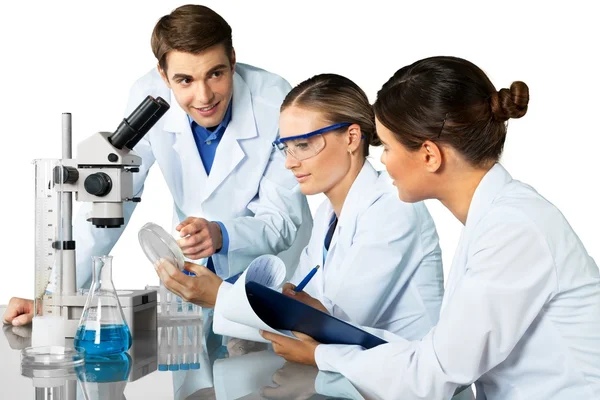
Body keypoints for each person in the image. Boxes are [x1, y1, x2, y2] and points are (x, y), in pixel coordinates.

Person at [260, 56, 600, 400]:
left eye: (388, 147)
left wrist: (322, 355)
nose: (384, 160)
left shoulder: (513, 230)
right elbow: (436, 352)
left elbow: (434, 375)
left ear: (429, 155)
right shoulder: (496, 219)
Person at [3, 4, 311, 326]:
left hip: (268, 276)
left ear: (233, 59)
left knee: (266, 370)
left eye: (215, 74)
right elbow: (111, 201)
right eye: (185, 80)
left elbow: (281, 220)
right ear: (163, 76)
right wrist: (53, 297)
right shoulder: (148, 98)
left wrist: (222, 234)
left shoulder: (275, 100)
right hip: (191, 278)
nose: (204, 96)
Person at [272, 73, 444, 336]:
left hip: (406, 370)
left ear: (351, 138)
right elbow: (296, 296)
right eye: (285, 147)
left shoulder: (393, 205)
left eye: (303, 145)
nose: (290, 162)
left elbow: (338, 323)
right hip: (353, 368)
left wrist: (222, 297)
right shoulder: (325, 215)